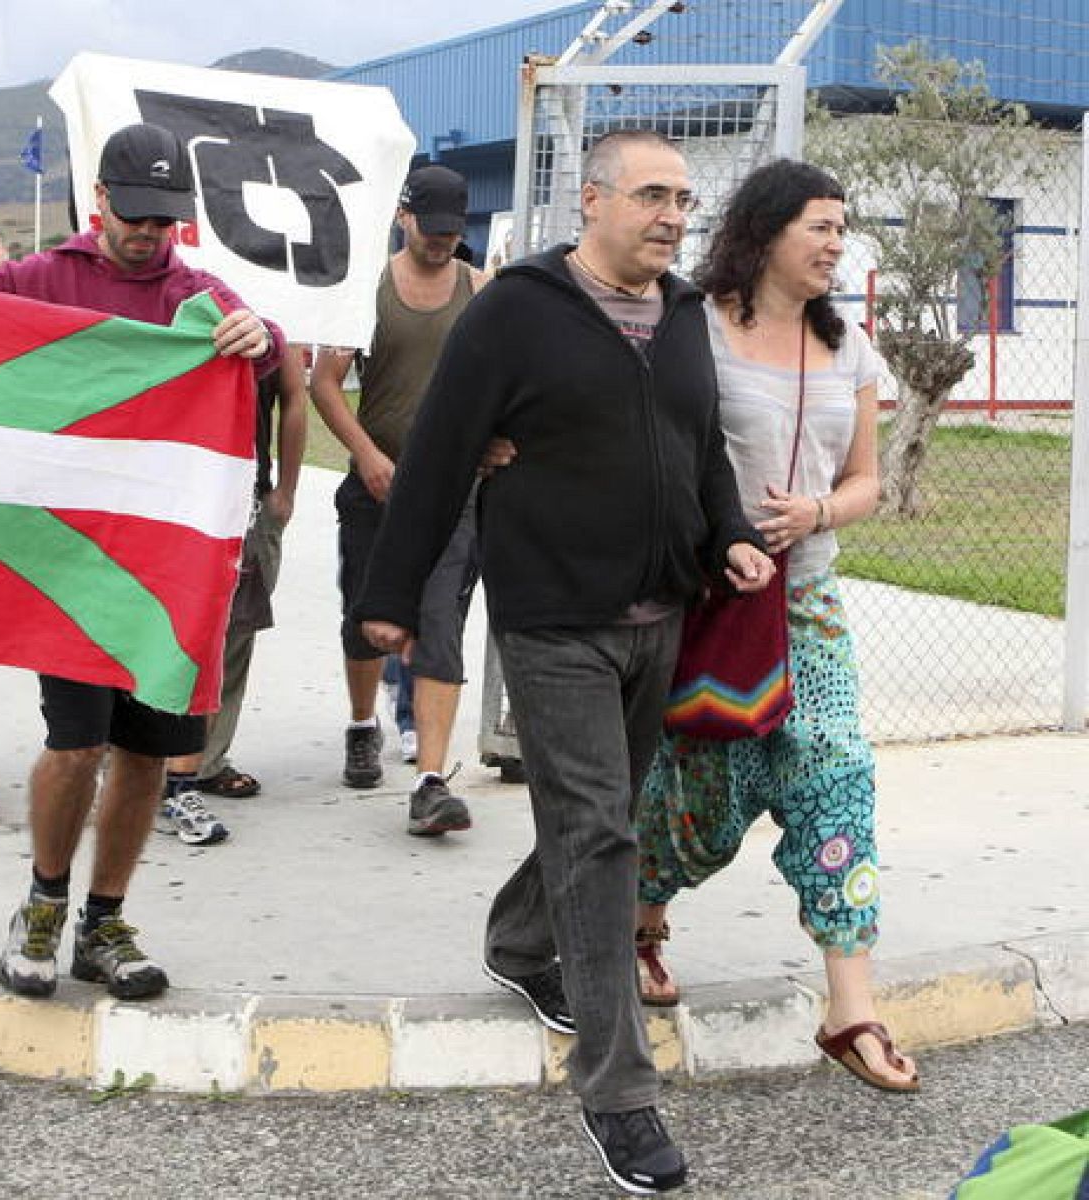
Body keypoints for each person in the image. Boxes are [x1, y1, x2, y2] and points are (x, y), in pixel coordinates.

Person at [356, 129, 775, 1195]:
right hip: (552, 618)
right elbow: (446, 444)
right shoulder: (516, 309)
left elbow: (697, 445)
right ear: (590, 201)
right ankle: (618, 1093)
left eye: (682, 197)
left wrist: (724, 528)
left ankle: (515, 938)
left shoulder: (680, 314)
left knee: (604, 815)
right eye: (649, 195)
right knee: (599, 836)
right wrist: (393, 597)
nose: (673, 214)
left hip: (658, 615)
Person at [0, 123, 282, 1000]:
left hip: (168, 574)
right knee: (76, 744)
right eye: (136, 216)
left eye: (166, 220)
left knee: (146, 756)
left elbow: (268, 355)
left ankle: (104, 920)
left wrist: (260, 337)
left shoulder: (199, 294)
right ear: (99, 202)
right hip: (71, 571)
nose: (150, 234)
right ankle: (42, 903)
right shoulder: (41, 279)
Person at [631, 158, 919, 1093]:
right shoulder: (695, 327)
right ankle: (642, 906)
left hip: (810, 601)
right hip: (713, 599)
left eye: (843, 228)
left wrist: (820, 516)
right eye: (821, 227)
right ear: (766, 232)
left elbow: (866, 480)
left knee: (839, 766)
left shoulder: (852, 347)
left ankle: (852, 1007)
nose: (837, 244)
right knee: (713, 798)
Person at [310, 164, 487, 837]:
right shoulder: (368, 289)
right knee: (366, 615)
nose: (440, 243)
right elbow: (326, 383)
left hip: (452, 488)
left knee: (440, 620)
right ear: (403, 217)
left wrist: (493, 440)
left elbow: (504, 378)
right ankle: (364, 723)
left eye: (451, 232)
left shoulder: (479, 289)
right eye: (429, 229)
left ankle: (431, 781)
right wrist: (365, 452)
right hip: (377, 480)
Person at [160, 347, 309, 844]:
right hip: (174, 496)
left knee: (235, 635)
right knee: (164, 634)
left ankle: (205, 759)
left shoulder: (269, 322)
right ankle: (144, 761)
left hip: (249, 498)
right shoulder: (176, 301)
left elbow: (293, 398)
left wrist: (286, 487)